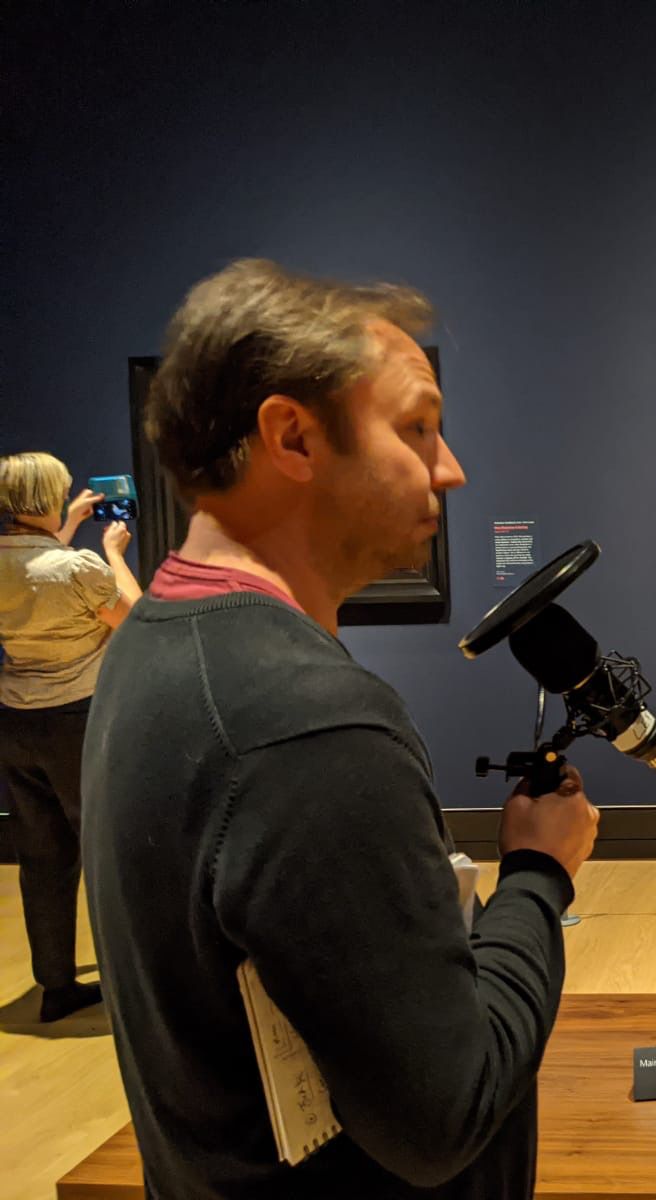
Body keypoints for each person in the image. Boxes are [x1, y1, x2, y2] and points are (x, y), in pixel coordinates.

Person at [81, 259, 600, 1198]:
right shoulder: (307, 724)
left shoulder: (151, 641)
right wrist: (538, 875)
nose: (451, 466)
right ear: (293, 437)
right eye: (417, 428)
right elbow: (444, 1116)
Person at [0, 452, 141, 1021]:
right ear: (41, 500)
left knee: (42, 856)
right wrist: (109, 552)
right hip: (76, 720)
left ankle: (55, 985)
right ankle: (133, 979)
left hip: (14, 720)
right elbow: (135, 618)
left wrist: (68, 528)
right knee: (107, 851)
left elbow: (33, 569)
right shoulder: (79, 565)